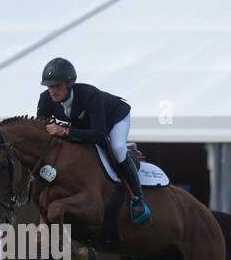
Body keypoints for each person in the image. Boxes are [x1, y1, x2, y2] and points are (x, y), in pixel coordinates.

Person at [35, 57, 150, 225]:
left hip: (115, 118)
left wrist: (65, 131)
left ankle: (138, 198)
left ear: (69, 83)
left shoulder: (91, 95)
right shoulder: (45, 99)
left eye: (56, 86)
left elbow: (99, 136)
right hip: (85, 124)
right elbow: (41, 130)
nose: (52, 91)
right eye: (49, 86)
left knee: (117, 149)